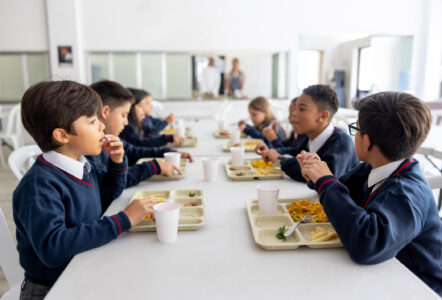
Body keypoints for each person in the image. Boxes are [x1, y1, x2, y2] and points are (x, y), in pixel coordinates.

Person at [13, 81, 156, 299]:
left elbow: (108, 194)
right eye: (92, 121)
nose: (101, 126)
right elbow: (54, 248)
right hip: (53, 288)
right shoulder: (39, 186)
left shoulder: (81, 165)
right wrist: (122, 220)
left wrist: (117, 162)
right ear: (62, 135)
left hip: (83, 268)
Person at [298, 92, 442, 296]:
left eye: (355, 129)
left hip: (417, 288)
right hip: (380, 276)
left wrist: (326, 182)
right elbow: (341, 191)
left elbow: (367, 243)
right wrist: (317, 174)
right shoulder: (373, 168)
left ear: (366, 142)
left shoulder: (408, 192)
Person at [89, 81, 193, 188]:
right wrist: (153, 167)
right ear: (105, 112)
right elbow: (109, 183)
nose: (126, 122)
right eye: (123, 115)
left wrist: (168, 152)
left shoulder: (109, 138)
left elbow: (134, 152)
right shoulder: (90, 149)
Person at [260, 84, 359, 182]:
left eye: (302, 109)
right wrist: (270, 151)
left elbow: (320, 178)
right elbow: (295, 152)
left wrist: (279, 159)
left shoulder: (341, 144)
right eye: (295, 108)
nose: (294, 114)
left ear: (323, 116)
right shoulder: (310, 136)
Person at [120, 89, 185, 148]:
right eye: (141, 106)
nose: (144, 110)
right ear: (131, 108)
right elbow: (141, 143)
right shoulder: (128, 126)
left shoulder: (143, 120)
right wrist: (167, 137)